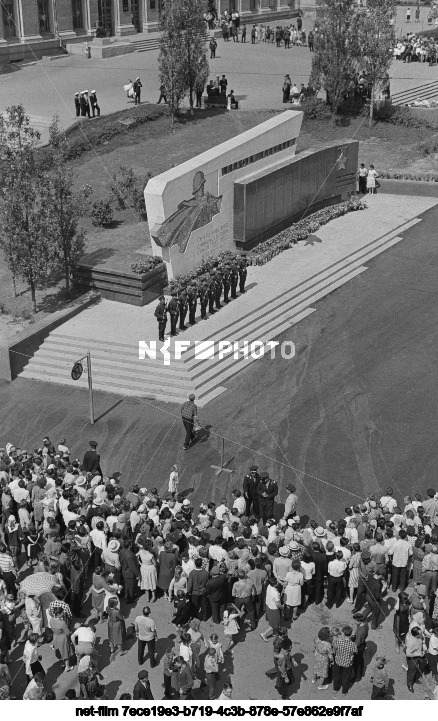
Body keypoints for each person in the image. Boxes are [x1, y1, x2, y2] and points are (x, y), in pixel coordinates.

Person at [332, 626, 356, 696]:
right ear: (351, 634)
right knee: (346, 677)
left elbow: (334, 650)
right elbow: (355, 652)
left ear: (343, 633)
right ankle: (344, 691)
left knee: (336, 676)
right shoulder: (353, 644)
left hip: (338, 661)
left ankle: (335, 689)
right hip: (347, 663)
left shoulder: (338, 642)